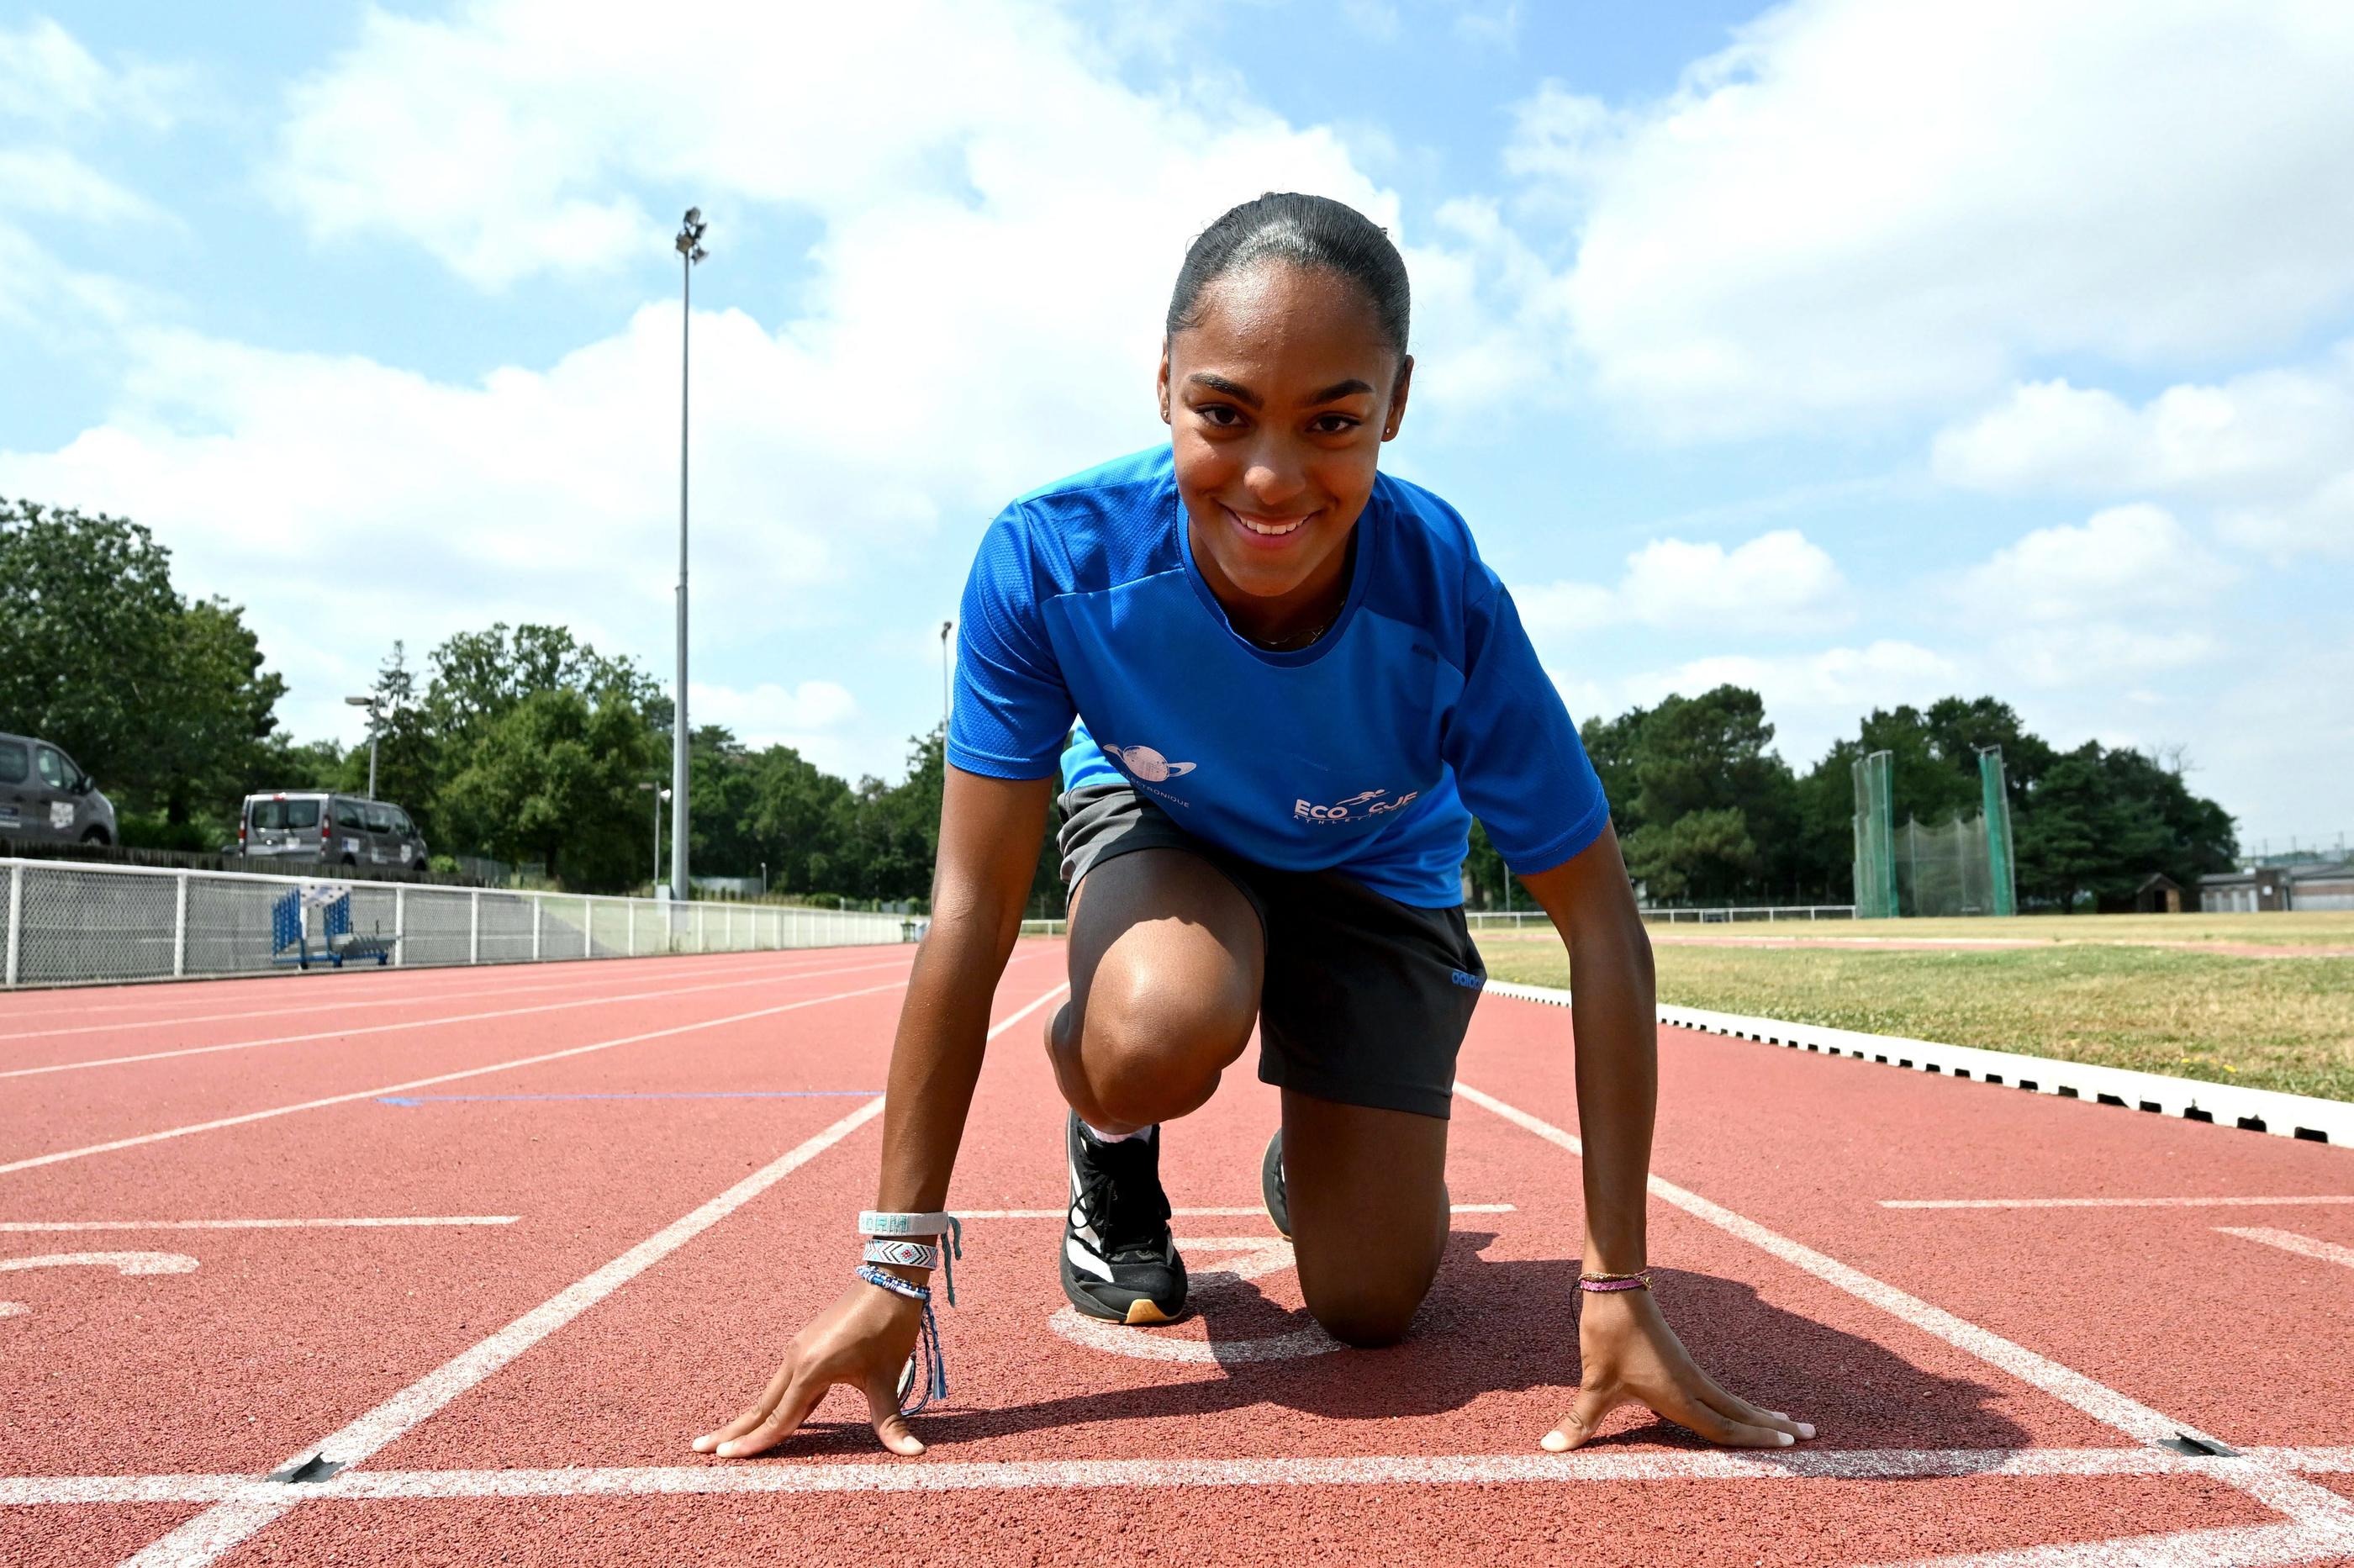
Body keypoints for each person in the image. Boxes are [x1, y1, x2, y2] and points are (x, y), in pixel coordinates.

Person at [696, 193, 1813, 1460]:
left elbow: (1606, 928)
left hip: (1377, 864)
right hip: (1169, 828)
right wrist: (893, 1269)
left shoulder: (1446, 594)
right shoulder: (1048, 561)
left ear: (1394, 406)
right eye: (1222, 414)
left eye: (1332, 422)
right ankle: (1113, 1134)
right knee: (1161, 1026)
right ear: (1164, 383)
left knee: (1373, 1305)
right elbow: (972, 906)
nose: (1273, 479)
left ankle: (1318, 1154)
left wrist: (1618, 1290)